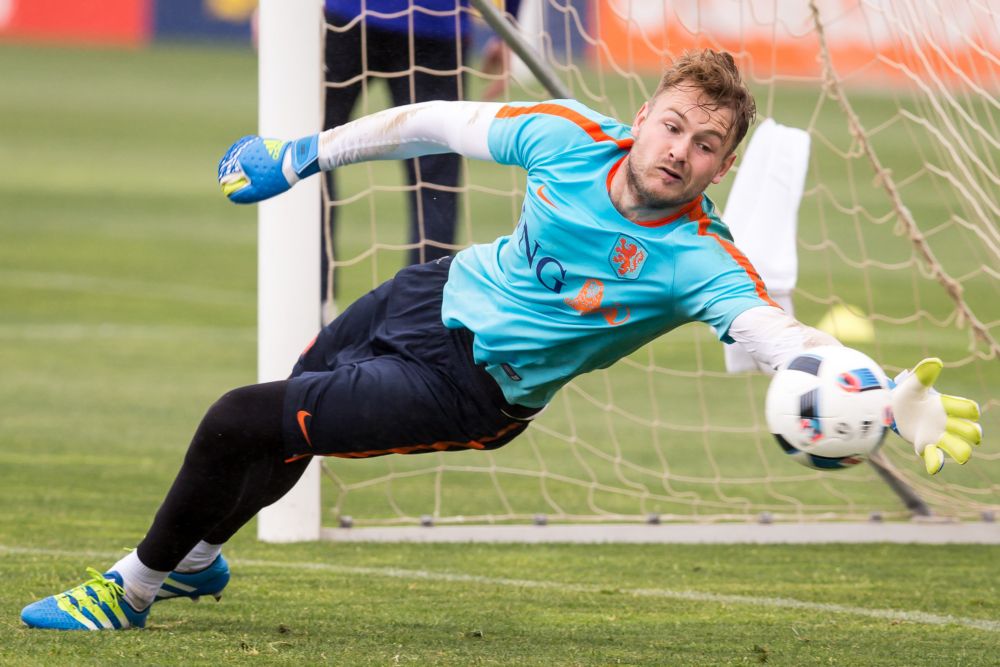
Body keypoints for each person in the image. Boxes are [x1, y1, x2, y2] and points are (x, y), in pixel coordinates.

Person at [21, 49, 982, 631]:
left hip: (473, 392)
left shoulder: (699, 259)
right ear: (642, 116)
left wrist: (879, 392)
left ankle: (133, 586)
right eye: (672, 126)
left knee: (242, 416)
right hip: (430, 294)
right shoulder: (567, 134)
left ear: (722, 165)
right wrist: (302, 152)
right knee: (286, 412)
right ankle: (195, 558)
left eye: (702, 146)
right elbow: (434, 118)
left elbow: (776, 337)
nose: (677, 151)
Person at [320, 0, 520, 318]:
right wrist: (508, 23)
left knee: (314, 152)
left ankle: (311, 300)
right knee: (436, 180)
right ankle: (417, 318)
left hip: (351, 16)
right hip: (434, 23)